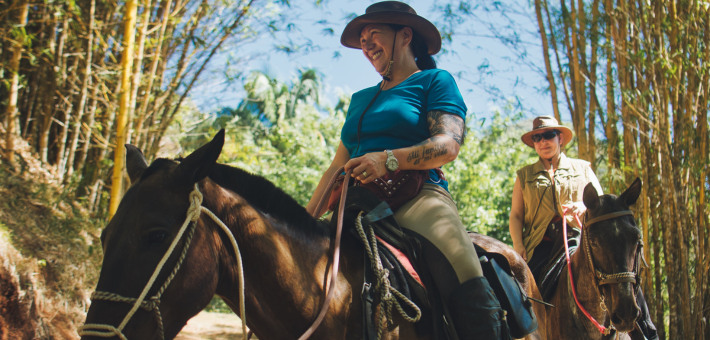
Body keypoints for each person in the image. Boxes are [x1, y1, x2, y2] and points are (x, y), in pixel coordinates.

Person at [305, 2, 506, 339]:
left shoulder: (434, 81)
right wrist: (306, 221)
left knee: (465, 268)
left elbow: (448, 144)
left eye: (374, 35)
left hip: (418, 197)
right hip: (354, 203)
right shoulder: (360, 98)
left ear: (405, 35)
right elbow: (337, 166)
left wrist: (387, 159)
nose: (366, 45)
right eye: (362, 39)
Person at [509, 115, 658, 340]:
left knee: (620, 272)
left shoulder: (582, 168)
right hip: (541, 245)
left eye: (548, 135)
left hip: (579, 238)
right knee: (523, 290)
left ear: (560, 138)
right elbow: (517, 215)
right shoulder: (524, 175)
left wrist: (581, 205)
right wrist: (518, 245)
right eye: (537, 138)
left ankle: (645, 331)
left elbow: (602, 203)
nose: (543, 141)